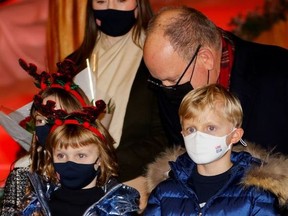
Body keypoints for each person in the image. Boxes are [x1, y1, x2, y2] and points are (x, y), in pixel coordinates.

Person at [143, 6, 288, 154]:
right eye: (158, 81)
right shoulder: (169, 77)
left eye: (172, 80)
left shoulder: (279, 75)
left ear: (205, 58)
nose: (165, 87)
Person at [67, 0, 168, 209]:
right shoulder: (73, 64)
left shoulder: (159, 61)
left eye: (121, 0)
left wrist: (104, 162)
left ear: (139, 4)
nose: (111, 8)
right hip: (73, 187)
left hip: (134, 186)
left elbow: (165, 137)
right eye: (101, 1)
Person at [144, 84, 288, 215]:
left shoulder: (256, 196)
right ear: (183, 134)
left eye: (210, 128)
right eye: (191, 129)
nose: (198, 137)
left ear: (235, 135)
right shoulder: (164, 193)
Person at [0, 59, 90, 216]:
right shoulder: (23, 174)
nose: (48, 127)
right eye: (41, 120)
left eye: (57, 118)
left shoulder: (93, 169)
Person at [19, 103, 140, 215]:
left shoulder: (117, 210)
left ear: (100, 159)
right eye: (61, 156)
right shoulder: (35, 206)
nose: (69, 162)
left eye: (81, 155)